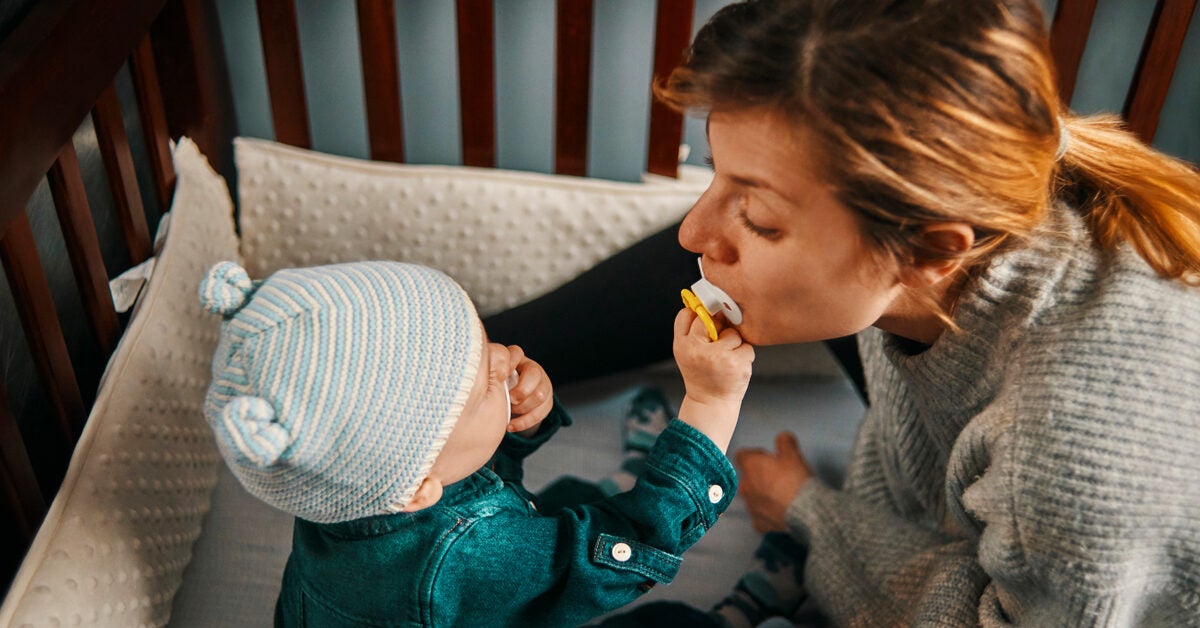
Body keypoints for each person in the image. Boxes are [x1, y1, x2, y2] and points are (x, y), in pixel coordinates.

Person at [611, 0, 1200, 625]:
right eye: (713, 171)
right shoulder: (943, 242)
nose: (693, 232)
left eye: (758, 219)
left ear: (930, 251)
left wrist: (808, 514)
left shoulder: (1069, 455)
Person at [197, 259, 754, 627]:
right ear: (417, 487)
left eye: (481, 343)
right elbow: (631, 548)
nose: (503, 358)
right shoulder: (466, 554)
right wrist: (710, 403)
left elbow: (458, 466)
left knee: (566, 498)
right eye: (482, 387)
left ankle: (619, 483)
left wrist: (518, 419)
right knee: (666, 620)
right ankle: (742, 611)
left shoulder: (337, 468)